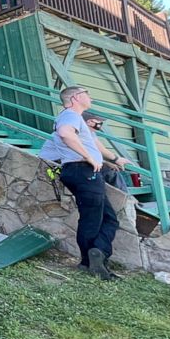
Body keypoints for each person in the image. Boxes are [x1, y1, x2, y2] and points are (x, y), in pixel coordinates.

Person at [48, 86, 126, 280]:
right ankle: (92, 259)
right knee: (92, 220)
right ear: (75, 97)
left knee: (107, 218)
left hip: (82, 172)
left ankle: (94, 258)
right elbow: (66, 134)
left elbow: (96, 146)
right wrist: (89, 158)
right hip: (83, 171)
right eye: (86, 93)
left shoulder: (78, 120)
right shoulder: (71, 115)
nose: (89, 96)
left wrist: (115, 159)